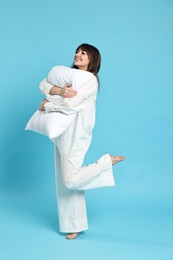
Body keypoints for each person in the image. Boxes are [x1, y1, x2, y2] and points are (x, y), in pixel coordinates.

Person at [39, 43, 125, 240]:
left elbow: (72, 105)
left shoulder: (91, 80)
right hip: (61, 130)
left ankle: (106, 162)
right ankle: (74, 224)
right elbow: (42, 84)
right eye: (77, 51)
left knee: (71, 179)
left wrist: (47, 105)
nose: (78, 54)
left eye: (83, 53)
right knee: (63, 182)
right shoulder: (67, 75)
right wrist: (59, 91)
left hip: (77, 133)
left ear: (92, 59)